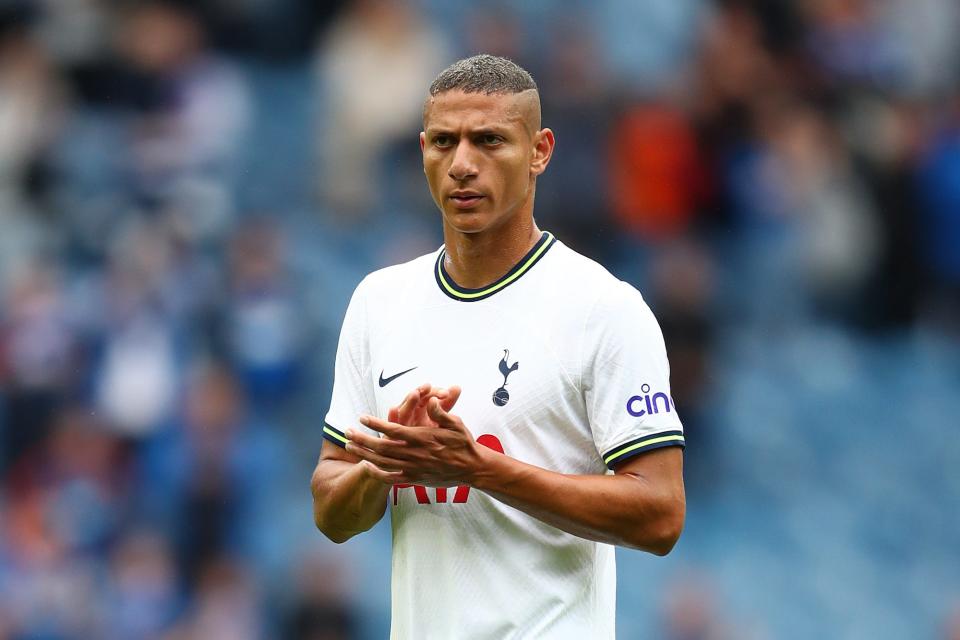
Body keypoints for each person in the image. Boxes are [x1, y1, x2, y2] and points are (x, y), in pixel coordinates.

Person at [310, 54, 686, 639]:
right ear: (423, 150)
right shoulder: (378, 302)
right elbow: (331, 510)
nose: (462, 164)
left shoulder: (603, 310)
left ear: (540, 151)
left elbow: (661, 514)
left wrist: (481, 469)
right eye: (443, 142)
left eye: (489, 141)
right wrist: (381, 467)